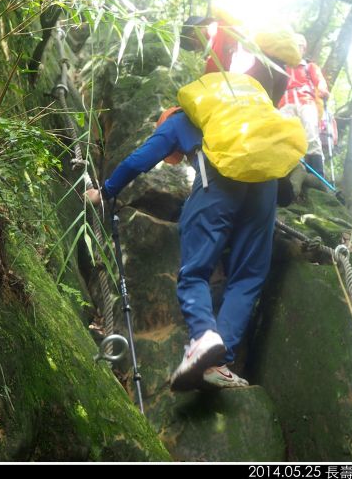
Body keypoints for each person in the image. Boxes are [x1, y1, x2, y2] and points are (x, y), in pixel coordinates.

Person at [86, 37, 297, 392]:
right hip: (266, 179)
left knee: (194, 270)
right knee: (248, 276)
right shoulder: (237, 111)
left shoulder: (178, 120)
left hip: (220, 177)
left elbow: (139, 161)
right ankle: (218, 362)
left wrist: (104, 192)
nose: (177, 159)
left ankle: (202, 337)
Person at [278, 33, 330, 180]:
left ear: (304, 49)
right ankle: (287, 173)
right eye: (294, 45)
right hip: (285, 104)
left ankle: (317, 176)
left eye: (299, 45)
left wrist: (322, 89)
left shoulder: (309, 66)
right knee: (287, 138)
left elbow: (319, 80)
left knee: (311, 135)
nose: (297, 48)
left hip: (306, 102)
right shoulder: (281, 67)